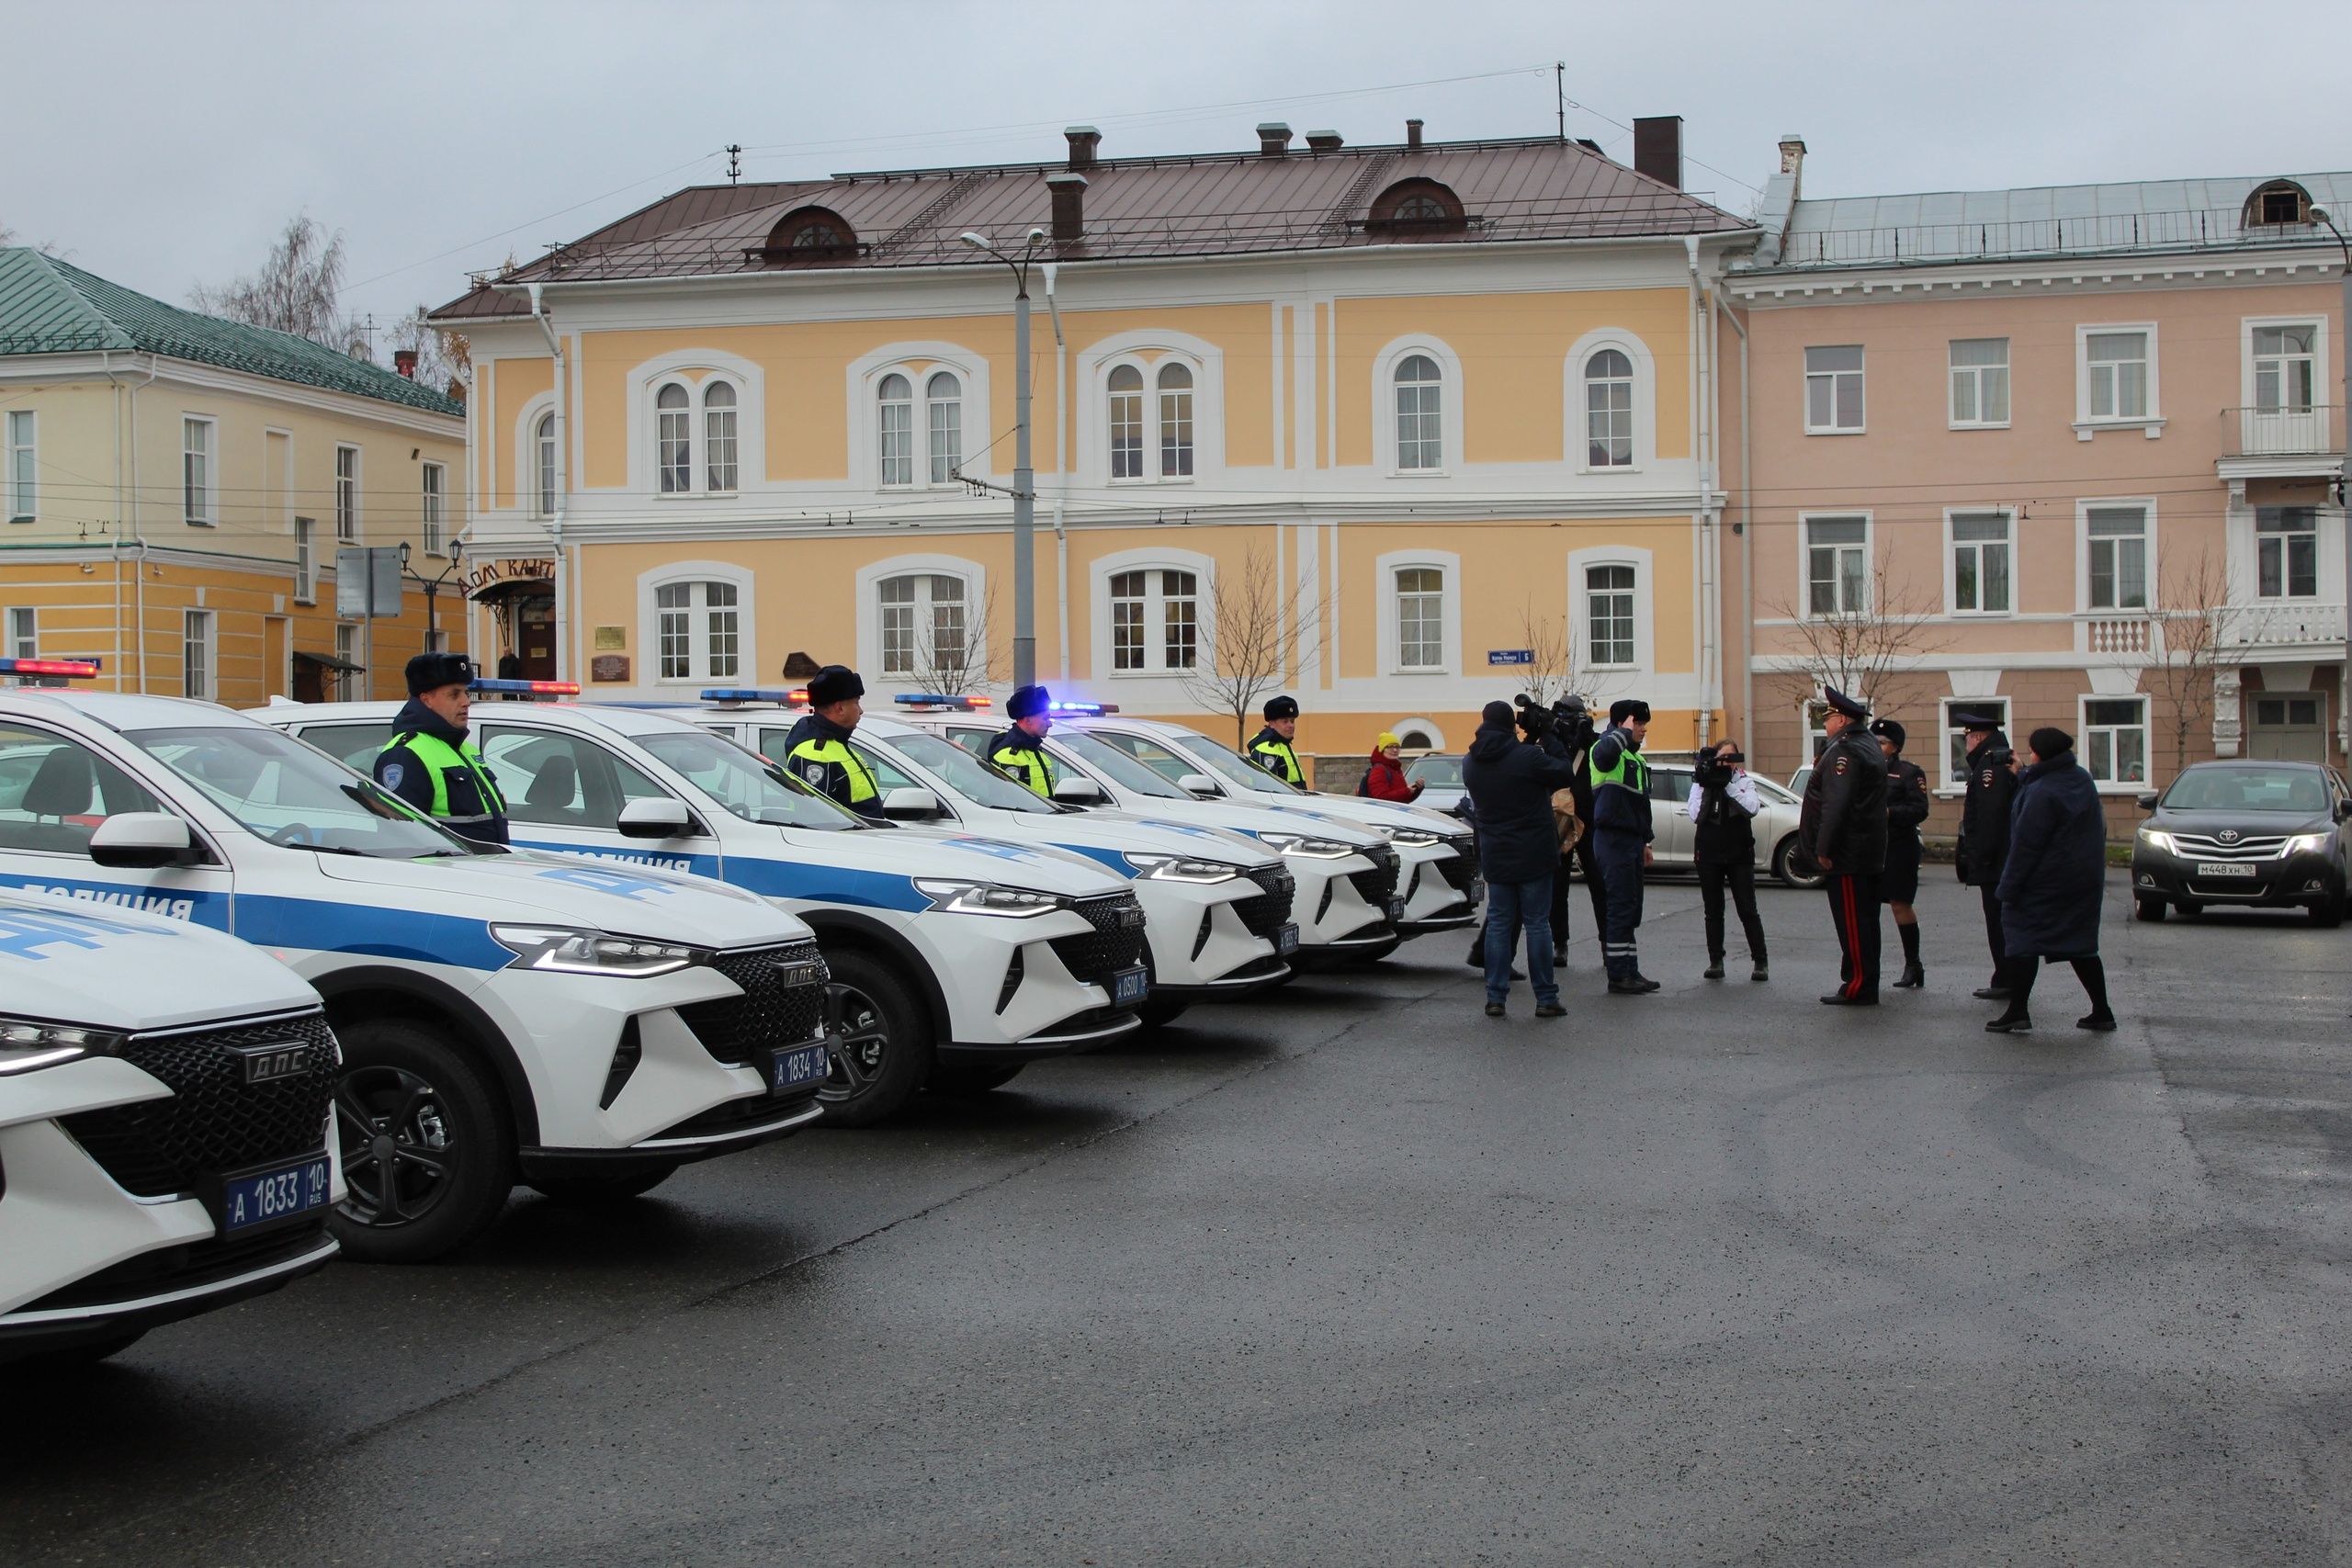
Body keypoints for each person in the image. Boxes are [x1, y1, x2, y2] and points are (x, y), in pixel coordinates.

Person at [1987, 728, 2116, 1033]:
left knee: (2021, 942)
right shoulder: (2080, 778)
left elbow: (2027, 846)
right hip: (2081, 881)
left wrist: (2008, 887)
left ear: (2040, 753)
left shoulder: (2041, 792)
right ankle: (2102, 1010)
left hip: (2042, 884)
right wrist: (2022, 773)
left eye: (2031, 751)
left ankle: (2018, 1010)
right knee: (2080, 945)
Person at [1460, 700, 1577, 1019]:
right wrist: (1548, 735)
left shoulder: (1471, 762)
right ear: (1510, 724)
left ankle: (1495, 997)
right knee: (1538, 924)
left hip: (1497, 853)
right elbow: (1564, 771)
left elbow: (1507, 763)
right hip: (1534, 853)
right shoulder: (1527, 758)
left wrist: (1526, 742)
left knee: (1499, 923)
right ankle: (1545, 998)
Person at [1800, 687, 1888, 1006]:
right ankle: (1859, 979)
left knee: (1854, 922)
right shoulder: (1865, 745)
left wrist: (1823, 847)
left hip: (1849, 852)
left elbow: (1835, 803)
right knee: (1864, 921)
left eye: (1828, 719)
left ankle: (1859, 985)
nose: (1825, 725)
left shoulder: (1845, 751)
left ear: (1841, 719)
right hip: (1863, 849)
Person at [375, 652, 508, 847]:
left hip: (479, 871)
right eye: (454, 694)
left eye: (466, 693)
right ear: (426, 699)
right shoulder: (406, 754)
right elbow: (400, 839)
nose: (466, 702)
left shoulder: (464, 748)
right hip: (447, 873)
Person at [1588, 697, 1658, 995]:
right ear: (1622, 723)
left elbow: (1639, 806)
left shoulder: (1634, 758)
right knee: (1618, 907)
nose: (1643, 729)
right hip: (1612, 839)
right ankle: (1618, 975)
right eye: (1638, 723)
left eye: (1643, 724)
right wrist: (1622, 732)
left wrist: (1644, 842)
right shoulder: (1607, 749)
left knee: (1630, 907)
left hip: (1629, 840)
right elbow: (1603, 756)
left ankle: (1630, 970)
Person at [1688, 739, 1769, 982]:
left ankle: (1761, 961)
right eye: (1720, 758)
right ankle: (1716, 961)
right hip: (1708, 852)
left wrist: (1728, 787)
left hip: (1739, 853)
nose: (1725, 764)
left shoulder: (1744, 780)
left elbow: (1752, 807)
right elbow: (1694, 814)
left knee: (1747, 908)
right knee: (1713, 909)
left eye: (1729, 759)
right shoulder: (1703, 782)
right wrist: (1709, 784)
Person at [1954, 710, 2018, 1000]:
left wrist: (1982, 856)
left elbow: (1991, 816)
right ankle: (2005, 976)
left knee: (1998, 921)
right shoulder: (1994, 760)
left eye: (1966, 737)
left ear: (1977, 737)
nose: (1965, 743)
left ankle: (2006, 978)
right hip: (2002, 858)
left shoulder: (1990, 767)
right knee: (2001, 920)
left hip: (1996, 861)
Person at [1551, 694, 1610, 970]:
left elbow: (1602, 764)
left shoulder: (1592, 739)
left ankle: (1608, 942)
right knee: (1558, 886)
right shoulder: (1554, 741)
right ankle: (1559, 944)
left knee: (1599, 883)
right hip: (1562, 820)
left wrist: (1586, 737)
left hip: (1588, 818)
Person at [1872, 718, 1931, 988]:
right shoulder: (1864, 770)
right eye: (1874, 741)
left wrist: (1890, 813)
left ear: (1894, 747)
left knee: (1900, 904)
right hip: (1870, 846)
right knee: (1867, 907)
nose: (1877, 746)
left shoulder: (1909, 773)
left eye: (1882, 742)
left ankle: (1913, 964)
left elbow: (1920, 809)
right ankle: (1869, 966)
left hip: (1899, 847)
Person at [784, 664, 884, 819]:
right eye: (856, 702)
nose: (861, 710)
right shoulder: (816, 756)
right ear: (840, 709)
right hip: (844, 842)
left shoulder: (834, 745)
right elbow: (814, 820)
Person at [986, 685, 1059, 796]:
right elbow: (1009, 802)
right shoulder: (1009, 755)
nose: (1050, 723)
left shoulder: (1034, 749)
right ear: (1028, 720)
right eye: (1045, 718)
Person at [1249, 695, 1306, 785]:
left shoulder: (1284, 746)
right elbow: (1267, 788)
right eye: (1285, 721)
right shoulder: (1267, 750)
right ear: (1271, 723)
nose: (1291, 725)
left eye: (1292, 721)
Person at [1359, 732, 1422, 802]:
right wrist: (1406, 791)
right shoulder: (1379, 770)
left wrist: (1416, 789)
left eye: (1397, 747)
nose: (1395, 750)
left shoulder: (1395, 768)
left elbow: (1403, 800)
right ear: (1383, 750)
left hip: (1396, 811)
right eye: (1390, 747)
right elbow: (1380, 798)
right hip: (1385, 812)